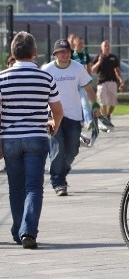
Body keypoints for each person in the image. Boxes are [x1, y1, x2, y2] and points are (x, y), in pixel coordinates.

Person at [0, 31, 63, 248]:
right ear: (35, 53)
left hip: (10, 139)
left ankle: (19, 232)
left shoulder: (2, 78)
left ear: (12, 53)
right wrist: (55, 124)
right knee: (34, 186)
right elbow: (57, 109)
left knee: (15, 187)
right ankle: (28, 231)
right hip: (36, 137)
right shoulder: (46, 77)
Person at [42, 39, 100, 197]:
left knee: (73, 150)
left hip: (74, 116)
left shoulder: (78, 68)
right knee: (58, 150)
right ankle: (58, 182)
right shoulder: (47, 70)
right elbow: (40, 93)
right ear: (55, 54)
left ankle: (60, 172)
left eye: (67, 52)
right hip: (53, 116)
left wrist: (95, 105)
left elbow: (88, 89)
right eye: (61, 52)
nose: (65, 55)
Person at [91, 40, 125, 121]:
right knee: (103, 102)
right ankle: (105, 119)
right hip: (102, 83)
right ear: (101, 48)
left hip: (112, 82)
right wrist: (99, 62)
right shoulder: (98, 57)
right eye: (105, 46)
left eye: (108, 46)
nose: (107, 47)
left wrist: (121, 80)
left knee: (113, 103)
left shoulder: (114, 57)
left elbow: (117, 70)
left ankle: (108, 115)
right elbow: (93, 70)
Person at [71, 35, 93, 129]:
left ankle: (89, 121)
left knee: (85, 103)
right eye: (79, 43)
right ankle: (78, 121)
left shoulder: (85, 54)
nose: (81, 45)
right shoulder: (71, 54)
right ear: (74, 43)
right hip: (72, 83)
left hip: (82, 83)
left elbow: (89, 68)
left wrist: (88, 79)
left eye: (82, 43)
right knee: (75, 104)